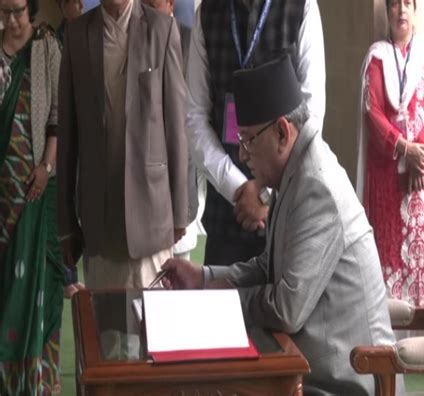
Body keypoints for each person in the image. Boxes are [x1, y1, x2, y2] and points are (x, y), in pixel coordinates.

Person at [162, 55, 400, 395]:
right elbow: (267, 268)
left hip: (349, 382)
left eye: (247, 141)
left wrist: (223, 300)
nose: (242, 156)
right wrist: (203, 277)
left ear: (281, 132)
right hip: (307, 367)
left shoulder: (317, 187)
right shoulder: (295, 173)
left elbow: (287, 310)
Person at [57, 0, 188, 290]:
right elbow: (67, 135)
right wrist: (65, 224)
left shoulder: (162, 29)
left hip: (151, 212)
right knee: (106, 331)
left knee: (152, 328)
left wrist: (180, 210)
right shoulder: (77, 34)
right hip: (98, 213)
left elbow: (176, 128)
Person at [187, 0, 326, 266]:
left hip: (287, 208)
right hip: (227, 212)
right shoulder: (207, 13)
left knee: (281, 305)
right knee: (221, 302)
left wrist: (267, 195)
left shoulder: (301, 7)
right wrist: (238, 188)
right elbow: (194, 117)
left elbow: (312, 114)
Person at [357, 0, 424, 307]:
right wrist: (403, 148)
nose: (401, 10)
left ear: (415, 10)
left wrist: (419, 155)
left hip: (422, 179)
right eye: (395, 4)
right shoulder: (378, 57)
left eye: (408, 3)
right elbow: (373, 111)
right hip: (389, 183)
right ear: (388, 12)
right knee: (391, 265)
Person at [0, 0, 64, 393]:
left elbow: (57, 116)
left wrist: (47, 166)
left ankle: (37, 381)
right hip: (2, 197)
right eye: (4, 11)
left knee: (40, 282)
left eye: (18, 11)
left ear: (31, 9)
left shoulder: (46, 49)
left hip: (38, 189)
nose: (11, 20)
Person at [142, 0, 200, 262]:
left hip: (179, 169)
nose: (148, 11)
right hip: (141, 180)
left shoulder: (189, 40)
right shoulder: (133, 38)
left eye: (154, 4)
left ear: (171, 4)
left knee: (180, 272)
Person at [55, 0, 85, 298]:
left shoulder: (89, 36)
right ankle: (67, 275)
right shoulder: (56, 41)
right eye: (72, 3)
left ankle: (72, 273)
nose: (78, 7)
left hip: (86, 136)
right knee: (64, 208)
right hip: (63, 134)